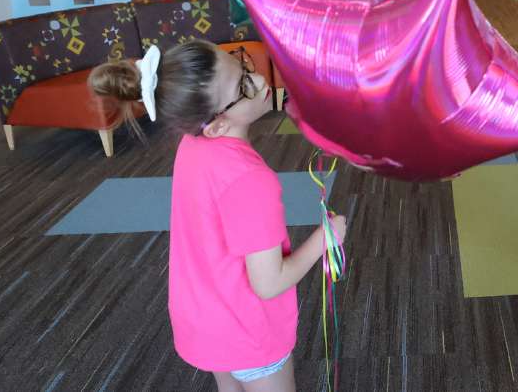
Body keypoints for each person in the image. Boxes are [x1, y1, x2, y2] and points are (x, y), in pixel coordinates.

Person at [90, 41, 347, 392]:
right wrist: (325, 238)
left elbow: (238, 114)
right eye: (243, 84)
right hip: (248, 331)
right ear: (214, 124)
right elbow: (268, 282)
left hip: (205, 321)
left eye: (243, 64)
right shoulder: (250, 180)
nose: (257, 78)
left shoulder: (192, 142)